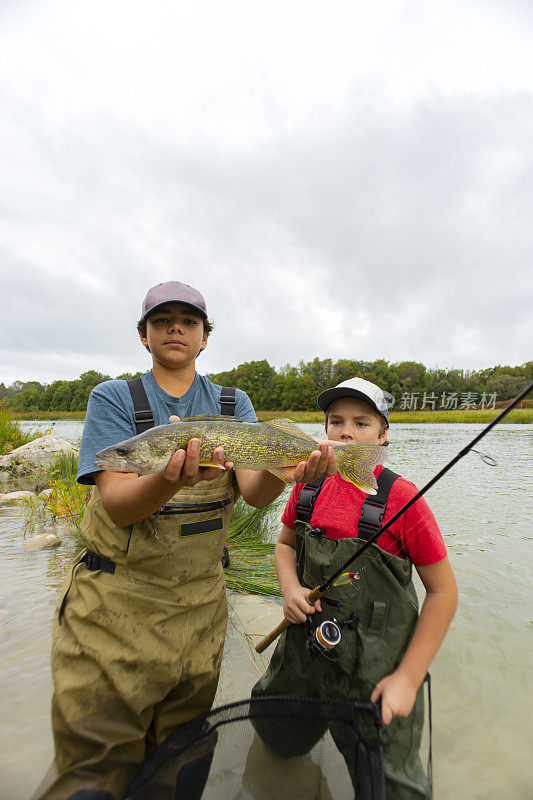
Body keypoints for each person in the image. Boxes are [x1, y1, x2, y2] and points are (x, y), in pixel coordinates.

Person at [33, 280, 337, 800]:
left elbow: (255, 493)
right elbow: (116, 502)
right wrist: (169, 478)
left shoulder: (232, 401)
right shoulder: (111, 399)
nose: (175, 328)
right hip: (111, 611)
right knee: (94, 771)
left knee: (181, 763)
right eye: (161, 320)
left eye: (188, 321)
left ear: (204, 337)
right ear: (144, 336)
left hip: (199, 612)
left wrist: (291, 474)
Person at [252, 377, 458, 800]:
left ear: (383, 436)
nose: (346, 432)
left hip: (376, 668)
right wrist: (290, 589)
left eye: (361, 423)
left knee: (389, 784)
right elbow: (285, 546)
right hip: (303, 649)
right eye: (336, 421)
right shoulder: (306, 487)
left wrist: (408, 677)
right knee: (274, 735)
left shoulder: (403, 498)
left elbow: (443, 593)